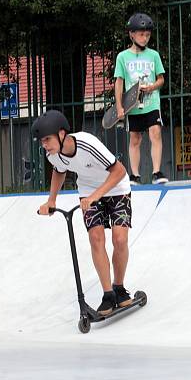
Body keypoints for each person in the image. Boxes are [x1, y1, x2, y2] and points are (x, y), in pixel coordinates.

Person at [34, 109, 134, 316]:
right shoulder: (54, 155)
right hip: (88, 193)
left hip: (116, 188)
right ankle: (108, 295)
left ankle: (119, 288)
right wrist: (51, 200)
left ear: (62, 134)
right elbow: (59, 171)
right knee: (96, 239)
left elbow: (119, 171)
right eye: (41, 141)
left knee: (120, 240)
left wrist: (96, 196)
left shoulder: (88, 144)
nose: (44, 145)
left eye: (47, 139)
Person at [114, 13, 168, 185]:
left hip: (152, 103)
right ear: (131, 34)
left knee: (156, 133)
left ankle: (157, 172)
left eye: (148, 35)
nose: (145, 38)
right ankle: (135, 175)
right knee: (135, 138)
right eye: (141, 34)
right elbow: (119, 82)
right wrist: (119, 107)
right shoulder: (123, 57)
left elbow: (161, 79)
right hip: (133, 105)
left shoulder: (154, 55)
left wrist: (152, 87)